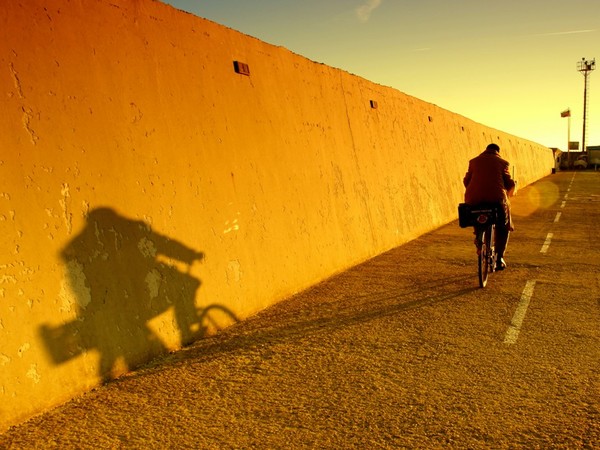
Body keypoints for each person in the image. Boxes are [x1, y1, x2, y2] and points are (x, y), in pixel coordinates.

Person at [463, 143, 516, 270]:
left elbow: (466, 181)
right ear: (497, 151)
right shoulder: (503, 163)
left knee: (477, 215)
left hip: (474, 199)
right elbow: (509, 183)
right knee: (503, 225)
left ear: (485, 150)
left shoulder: (473, 161)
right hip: (496, 200)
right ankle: (499, 258)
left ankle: (479, 239)